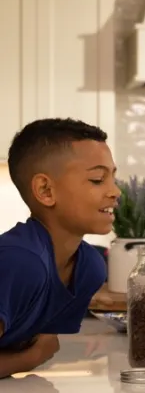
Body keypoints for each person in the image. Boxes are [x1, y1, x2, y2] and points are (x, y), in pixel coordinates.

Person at [0, 118, 118, 378]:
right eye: (98, 179)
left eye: (113, 177)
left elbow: (44, 343)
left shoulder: (89, 267)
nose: (115, 191)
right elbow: (38, 351)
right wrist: (29, 359)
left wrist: (31, 354)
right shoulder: (20, 262)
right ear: (45, 190)